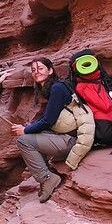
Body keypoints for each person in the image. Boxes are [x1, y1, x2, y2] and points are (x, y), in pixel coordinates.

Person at [11, 57, 94, 203]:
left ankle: (47, 178)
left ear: (50, 70)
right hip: (67, 136)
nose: (37, 72)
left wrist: (25, 130)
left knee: (24, 141)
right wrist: (30, 128)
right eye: (34, 70)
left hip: (70, 140)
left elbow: (48, 120)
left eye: (40, 68)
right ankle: (48, 171)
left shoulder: (57, 89)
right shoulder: (55, 87)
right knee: (33, 133)